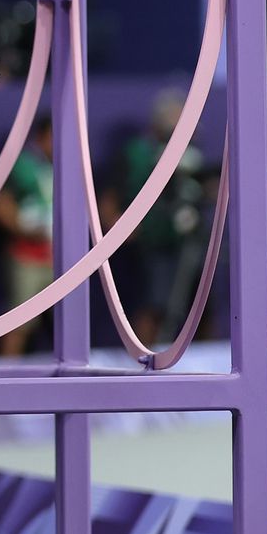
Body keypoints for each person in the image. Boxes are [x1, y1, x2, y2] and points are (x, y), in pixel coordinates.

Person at [100, 90, 205, 346]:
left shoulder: (191, 154)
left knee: (196, 302)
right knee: (152, 301)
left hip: (186, 240)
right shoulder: (136, 152)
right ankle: (145, 355)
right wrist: (117, 229)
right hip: (149, 240)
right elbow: (112, 194)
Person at [0, 114, 53, 357]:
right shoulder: (23, 165)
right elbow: (1, 203)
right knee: (20, 322)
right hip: (27, 255)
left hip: (60, 257)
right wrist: (22, 228)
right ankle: (4, 377)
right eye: (52, 137)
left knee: (69, 323)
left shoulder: (68, 164)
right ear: (41, 137)